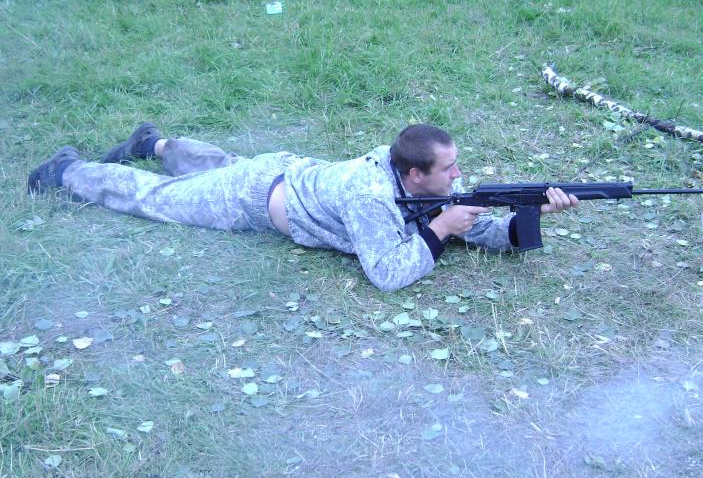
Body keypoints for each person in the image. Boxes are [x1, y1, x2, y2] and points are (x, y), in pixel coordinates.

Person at [28, 123, 578, 291]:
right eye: (449, 169)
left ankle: (153, 143)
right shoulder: (370, 198)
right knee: (161, 199)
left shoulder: (422, 181)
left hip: (284, 170)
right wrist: (439, 231)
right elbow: (388, 274)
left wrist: (524, 220)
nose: (458, 176)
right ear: (415, 173)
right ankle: (65, 172)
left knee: (220, 164)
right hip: (252, 197)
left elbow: (472, 223)